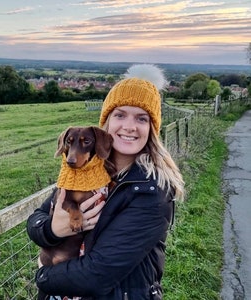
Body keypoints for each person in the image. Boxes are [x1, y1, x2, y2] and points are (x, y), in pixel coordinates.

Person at [27, 64, 185, 300]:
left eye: (141, 118)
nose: (129, 126)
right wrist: (53, 229)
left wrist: (43, 276)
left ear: (152, 128)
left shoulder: (152, 191)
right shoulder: (86, 171)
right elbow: (36, 221)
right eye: (120, 115)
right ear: (107, 122)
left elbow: (97, 274)